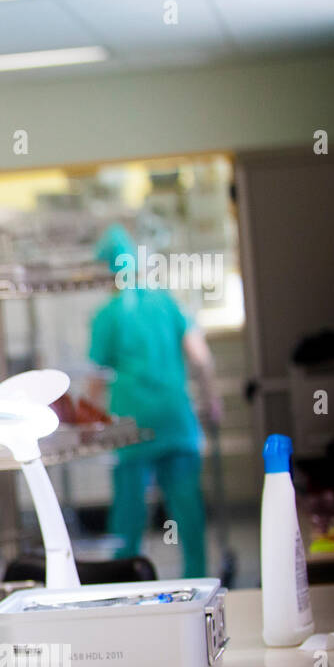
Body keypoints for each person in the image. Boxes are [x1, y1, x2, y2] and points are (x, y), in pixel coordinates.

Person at [87, 225, 221, 578]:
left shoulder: (108, 316)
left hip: (132, 425)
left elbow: (97, 379)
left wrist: (87, 425)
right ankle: (198, 582)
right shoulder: (167, 302)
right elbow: (201, 359)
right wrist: (212, 400)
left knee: (129, 514)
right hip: (175, 418)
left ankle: (122, 580)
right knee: (187, 509)